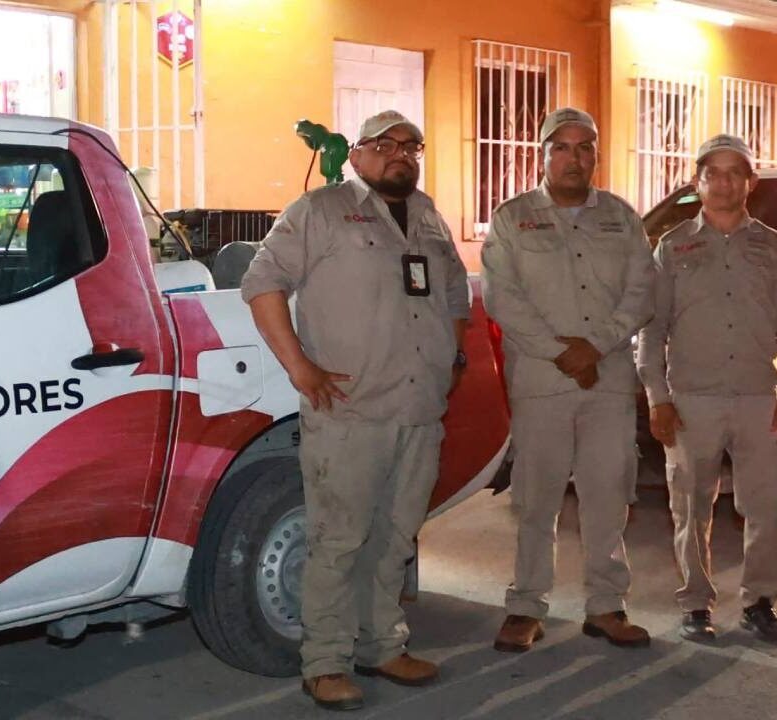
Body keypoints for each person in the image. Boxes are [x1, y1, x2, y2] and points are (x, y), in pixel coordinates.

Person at [240, 110, 469, 710]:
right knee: (338, 539)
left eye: (411, 145)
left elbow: (453, 295)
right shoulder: (319, 211)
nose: (401, 154)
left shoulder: (428, 217)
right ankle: (325, 661)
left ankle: (382, 646)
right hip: (351, 409)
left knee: (396, 537)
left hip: (419, 408)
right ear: (358, 153)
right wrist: (299, 366)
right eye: (385, 144)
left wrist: (453, 356)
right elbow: (262, 283)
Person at [481, 107, 655, 653]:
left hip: (606, 380)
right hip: (541, 379)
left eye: (585, 148)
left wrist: (597, 347)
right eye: (562, 147)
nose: (574, 158)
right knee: (537, 498)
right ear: (543, 155)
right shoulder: (512, 219)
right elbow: (502, 298)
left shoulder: (622, 220)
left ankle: (606, 606)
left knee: (608, 495)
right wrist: (563, 353)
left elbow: (642, 291)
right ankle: (526, 605)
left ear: (596, 157)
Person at [636, 133, 777, 645]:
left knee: (766, 502)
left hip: (759, 395)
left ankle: (759, 601)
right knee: (689, 504)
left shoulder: (772, 247)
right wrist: (657, 397)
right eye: (714, 172)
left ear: (749, 183)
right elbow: (653, 328)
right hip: (692, 398)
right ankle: (695, 603)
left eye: (736, 172)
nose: (724, 181)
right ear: (698, 181)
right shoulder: (672, 246)